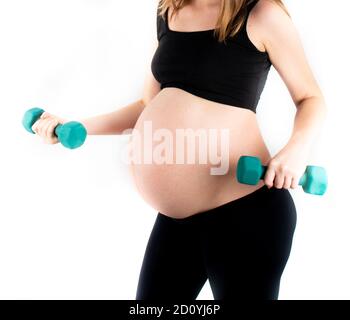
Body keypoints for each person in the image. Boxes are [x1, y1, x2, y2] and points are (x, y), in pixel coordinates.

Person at [32, 0, 327, 300]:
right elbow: (149, 104)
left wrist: (296, 150)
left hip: (245, 213)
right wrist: (78, 127)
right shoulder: (168, 11)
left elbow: (311, 98)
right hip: (178, 222)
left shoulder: (261, 13)